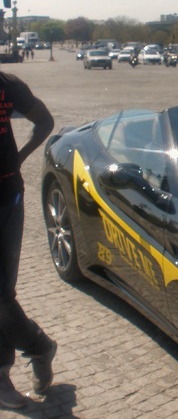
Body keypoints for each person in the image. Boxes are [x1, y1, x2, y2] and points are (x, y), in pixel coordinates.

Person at [0, 71, 57, 409]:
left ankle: (36, 347)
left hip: (6, 200)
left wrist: (18, 158)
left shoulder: (8, 87)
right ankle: (36, 347)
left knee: (2, 295)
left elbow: (45, 121)